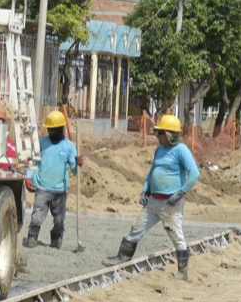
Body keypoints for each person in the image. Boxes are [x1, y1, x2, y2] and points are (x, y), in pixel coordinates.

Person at [102, 113, 200, 281]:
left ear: (169, 134)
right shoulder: (160, 149)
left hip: (170, 203)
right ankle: (123, 257)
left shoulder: (181, 150)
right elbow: (152, 171)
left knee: (176, 235)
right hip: (154, 200)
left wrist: (181, 192)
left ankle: (182, 272)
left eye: (160, 133)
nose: (157, 136)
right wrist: (145, 189)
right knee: (136, 228)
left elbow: (194, 174)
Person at [23, 110, 79, 249]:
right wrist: (28, 177)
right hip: (42, 187)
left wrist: (78, 164)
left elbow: (74, 169)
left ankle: (56, 239)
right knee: (36, 216)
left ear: (61, 129)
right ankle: (32, 237)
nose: (51, 132)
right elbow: (33, 162)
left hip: (60, 190)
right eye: (50, 129)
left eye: (54, 129)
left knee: (59, 220)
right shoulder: (41, 143)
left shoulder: (69, 147)